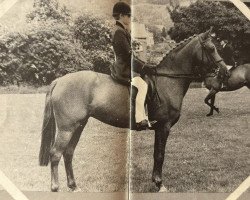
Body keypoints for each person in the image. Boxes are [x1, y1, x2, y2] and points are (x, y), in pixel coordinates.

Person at [110, 2, 155, 130]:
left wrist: (145, 65)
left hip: (125, 66)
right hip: (122, 69)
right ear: (121, 15)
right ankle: (140, 120)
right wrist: (144, 67)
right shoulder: (119, 32)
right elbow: (128, 56)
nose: (130, 18)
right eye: (128, 16)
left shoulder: (121, 30)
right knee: (142, 85)